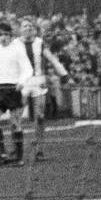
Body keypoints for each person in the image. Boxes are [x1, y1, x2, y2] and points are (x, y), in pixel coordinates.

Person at [0, 21, 33, 166]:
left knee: (15, 123)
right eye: (0, 35)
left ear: (11, 36)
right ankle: (3, 154)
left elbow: (28, 69)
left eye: (6, 34)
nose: (3, 37)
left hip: (13, 89)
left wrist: (21, 82)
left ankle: (19, 157)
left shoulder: (17, 49)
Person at [19, 18, 69, 161]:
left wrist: (63, 73)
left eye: (30, 26)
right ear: (20, 29)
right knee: (17, 116)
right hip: (22, 82)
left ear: (33, 29)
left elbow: (52, 58)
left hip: (38, 80)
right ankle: (17, 150)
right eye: (25, 26)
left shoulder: (39, 43)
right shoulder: (15, 44)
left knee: (40, 117)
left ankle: (39, 150)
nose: (28, 28)